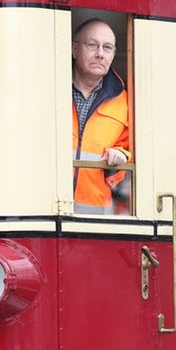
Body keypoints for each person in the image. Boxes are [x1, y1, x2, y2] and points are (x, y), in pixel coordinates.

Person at [70, 19, 132, 213]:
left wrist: (122, 155)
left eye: (107, 48)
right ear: (74, 49)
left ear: (113, 55)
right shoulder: (48, 90)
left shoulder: (126, 102)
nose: (100, 54)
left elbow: (130, 148)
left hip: (95, 216)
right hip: (44, 210)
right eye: (92, 45)